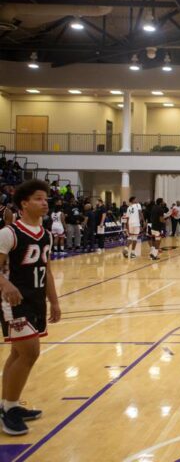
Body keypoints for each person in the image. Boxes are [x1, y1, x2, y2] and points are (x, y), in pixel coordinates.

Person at [0, 179, 61, 435]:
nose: (44, 202)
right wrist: (5, 284)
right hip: (13, 302)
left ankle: (8, 404)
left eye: (45, 198)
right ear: (24, 204)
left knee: (18, 354)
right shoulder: (9, 233)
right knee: (29, 353)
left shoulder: (46, 234)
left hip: (35, 300)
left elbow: (45, 270)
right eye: (38, 198)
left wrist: (54, 301)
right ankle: (9, 412)